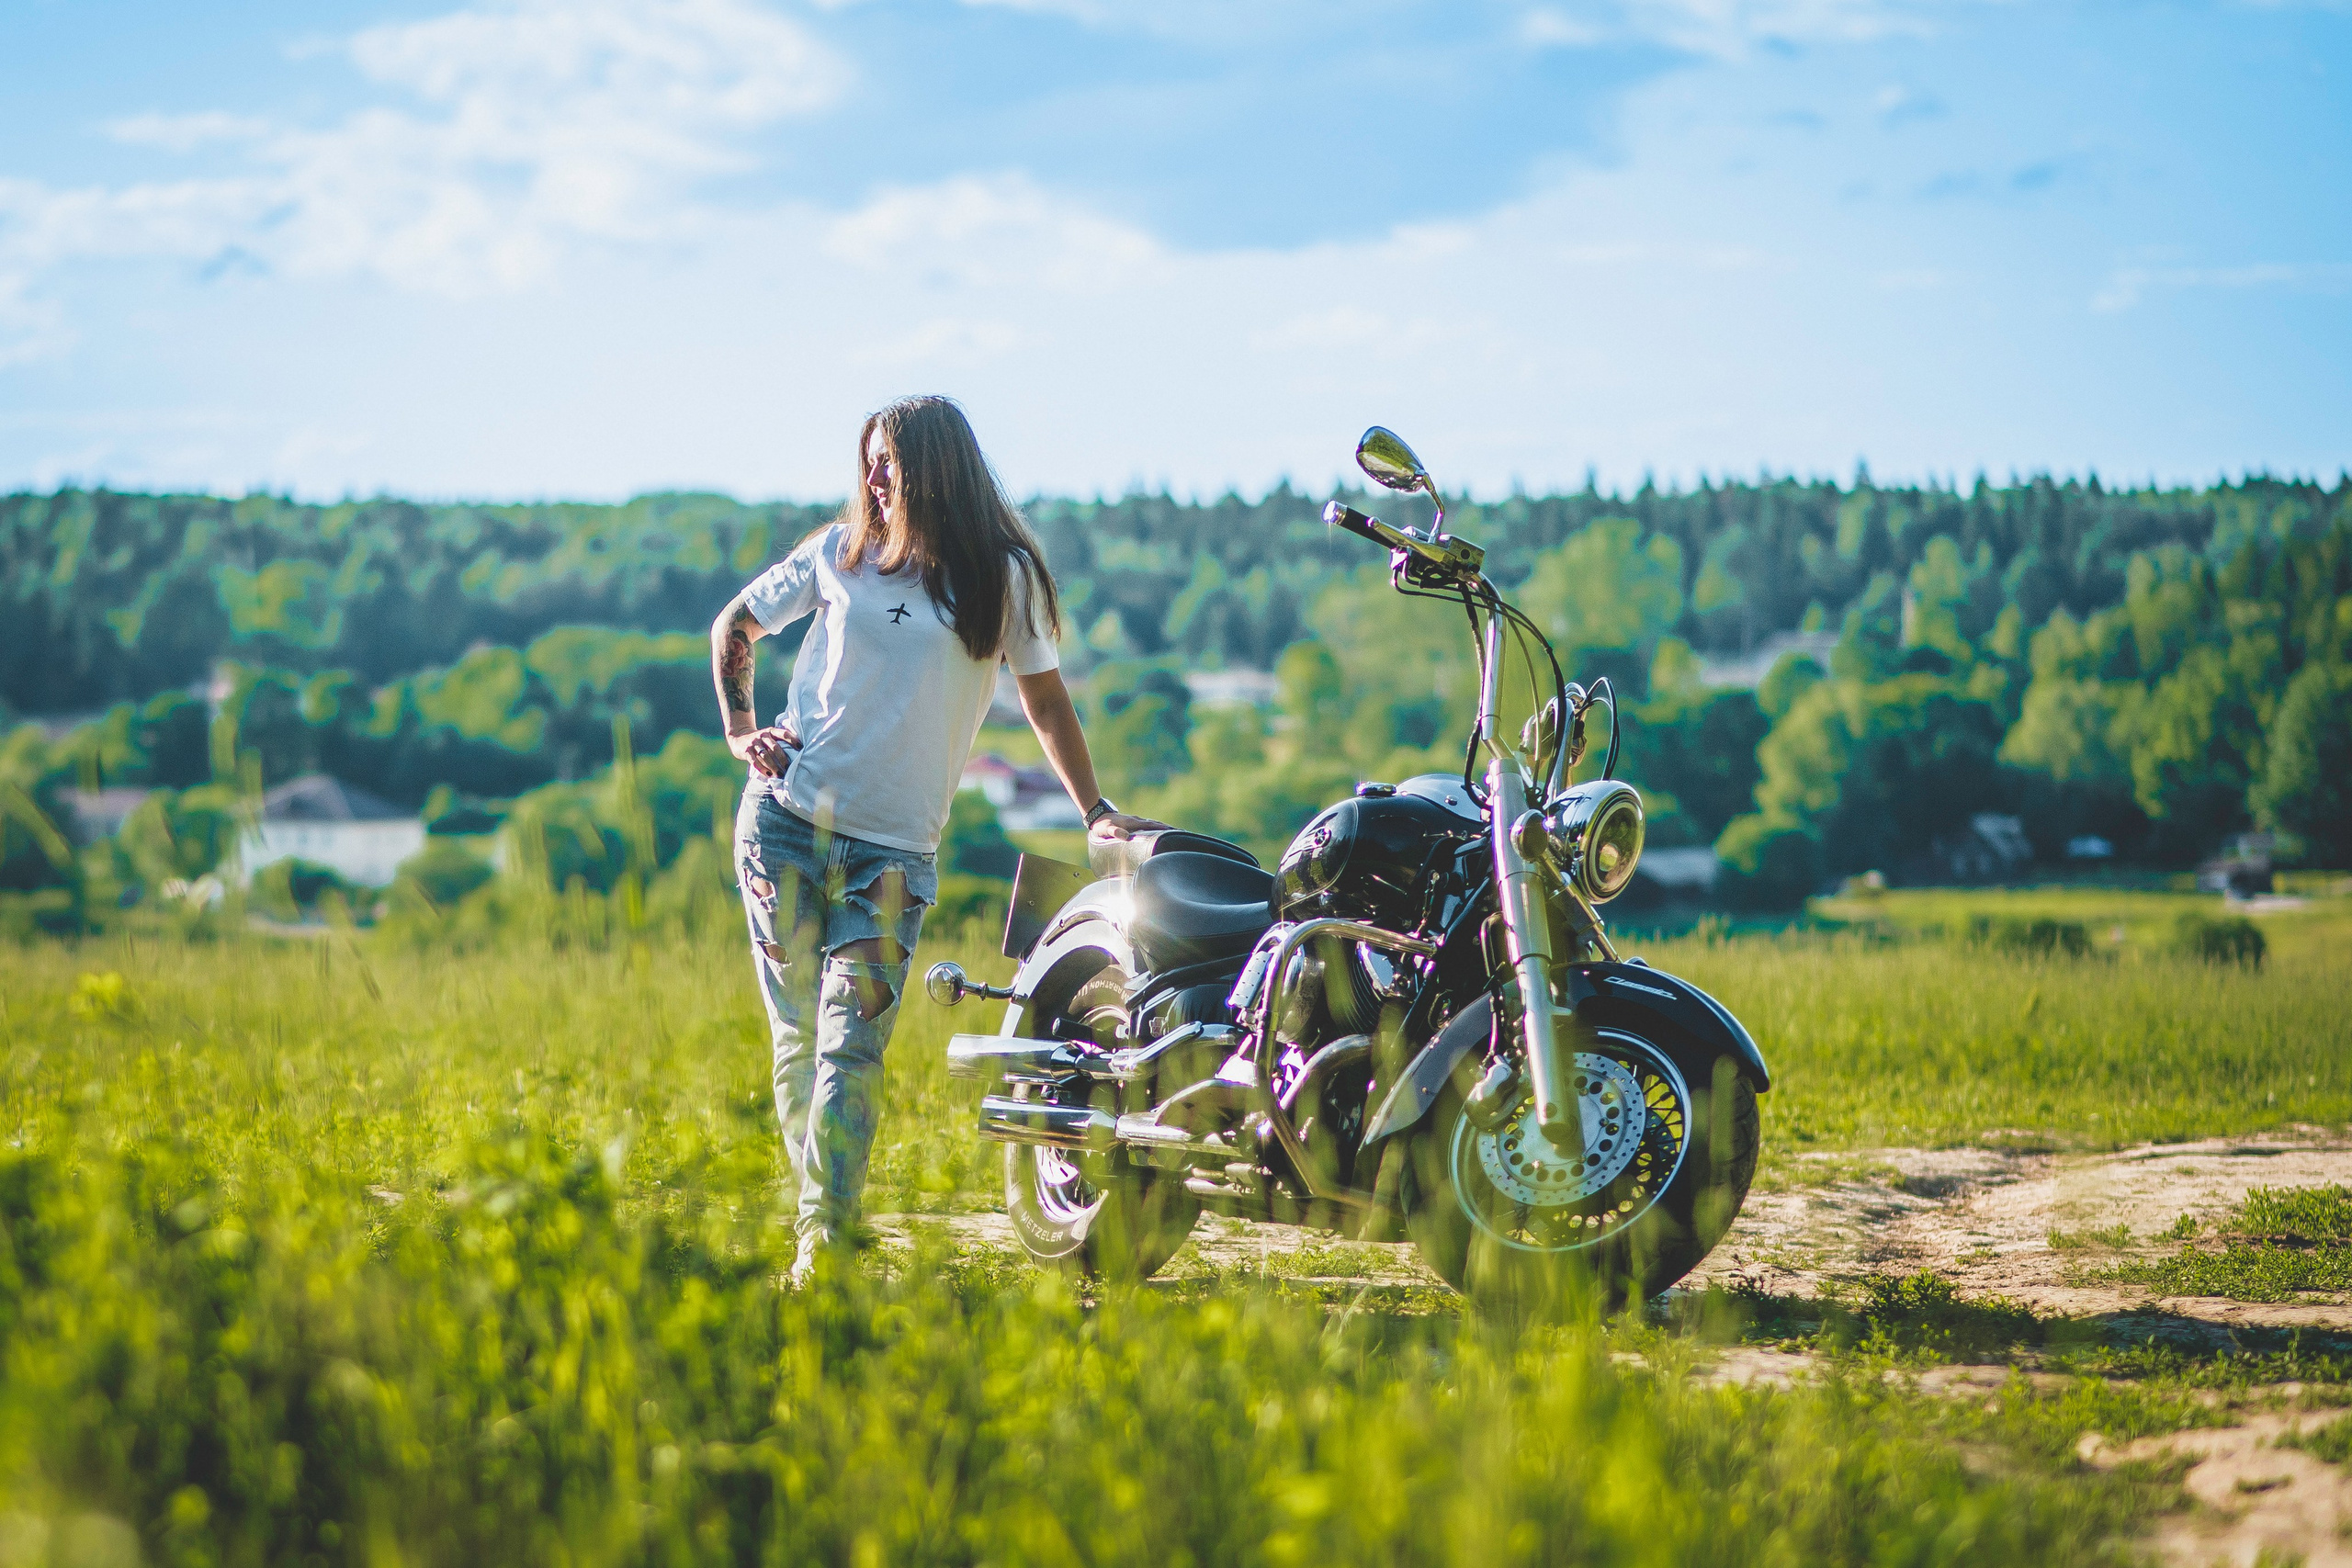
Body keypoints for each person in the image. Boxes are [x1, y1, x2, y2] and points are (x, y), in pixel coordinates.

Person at [710, 395, 1157, 1286]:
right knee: (802, 1039)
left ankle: (821, 1236)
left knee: (852, 1044)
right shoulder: (836, 556)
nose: (875, 478)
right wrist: (739, 729)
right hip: (785, 825)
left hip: (894, 856)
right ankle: (823, 1240)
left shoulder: (1001, 578)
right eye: (868, 460)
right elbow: (736, 627)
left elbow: (1043, 700)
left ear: (938, 468)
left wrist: (1092, 808)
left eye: (893, 462)